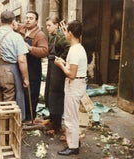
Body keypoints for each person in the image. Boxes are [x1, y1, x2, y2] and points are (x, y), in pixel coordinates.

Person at [54, 20, 87, 156]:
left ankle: (73, 146)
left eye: (66, 31)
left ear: (70, 33)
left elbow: (72, 74)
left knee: (70, 117)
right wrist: (64, 62)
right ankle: (74, 141)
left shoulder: (74, 51)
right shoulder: (79, 48)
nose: (65, 33)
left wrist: (60, 66)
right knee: (73, 115)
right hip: (78, 84)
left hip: (74, 85)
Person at [15, 11, 48, 122]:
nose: (28, 20)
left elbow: (44, 51)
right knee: (22, 92)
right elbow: (18, 26)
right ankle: (22, 116)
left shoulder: (40, 35)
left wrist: (30, 48)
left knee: (32, 93)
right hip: (22, 66)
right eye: (27, 17)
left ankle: (30, 118)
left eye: (31, 18)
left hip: (33, 68)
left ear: (36, 21)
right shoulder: (23, 30)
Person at [44, 17, 70, 134]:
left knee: (56, 92)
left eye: (49, 25)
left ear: (56, 25)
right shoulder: (51, 36)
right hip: (51, 64)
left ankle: (57, 123)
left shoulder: (61, 36)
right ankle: (52, 116)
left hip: (57, 67)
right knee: (49, 90)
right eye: (47, 25)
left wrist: (61, 59)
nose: (47, 27)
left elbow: (68, 48)